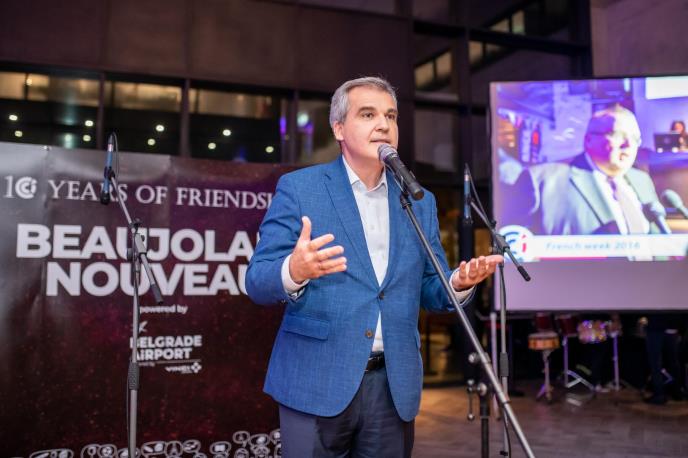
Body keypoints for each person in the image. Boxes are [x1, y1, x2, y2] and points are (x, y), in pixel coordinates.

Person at [246, 76, 501, 457]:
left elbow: (431, 289)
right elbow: (256, 280)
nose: (383, 124)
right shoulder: (300, 188)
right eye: (368, 114)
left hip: (392, 386)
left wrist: (458, 283)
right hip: (317, 380)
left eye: (391, 116)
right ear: (338, 128)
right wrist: (294, 270)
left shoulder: (419, 200)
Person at [501, 105, 664, 235]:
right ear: (588, 140)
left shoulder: (642, 180)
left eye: (635, 138)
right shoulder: (542, 181)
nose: (628, 144)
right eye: (617, 135)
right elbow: (512, 247)